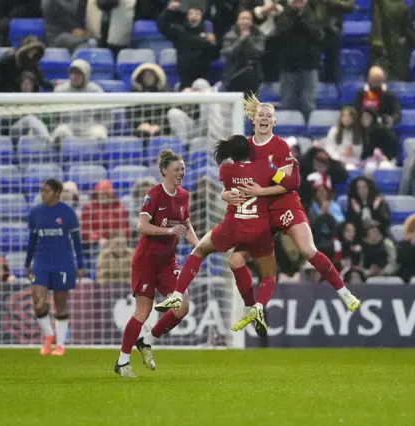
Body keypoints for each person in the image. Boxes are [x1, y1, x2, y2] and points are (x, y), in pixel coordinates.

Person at [224, 95, 360, 313]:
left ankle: (344, 292)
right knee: (237, 259)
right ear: (254, 119)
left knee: (308, 249)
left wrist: (265, 180)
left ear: (274, 122)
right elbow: (235, 179)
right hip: (261, 211)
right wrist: (228, 194)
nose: (265, 118)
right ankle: (253, 308)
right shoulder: (244, 148)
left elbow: (291, 183)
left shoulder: (280, 148)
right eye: (261, 115)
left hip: (285, 205)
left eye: (269, 116)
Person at [154, 136, 291, 331]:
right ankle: (257, 306)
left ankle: (178, 293)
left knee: (201, 251)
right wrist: (266, 188)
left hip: (233, 227)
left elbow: (230, 188)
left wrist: (223, 195)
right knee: (269, 276)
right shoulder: (265, 169)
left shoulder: (225, 170)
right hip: (258, 229)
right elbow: (287, 184)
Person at [114, 150, 198, 378]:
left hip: (167, 261)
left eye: (182, 169)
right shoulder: (153, 194)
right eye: (176, 169)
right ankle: (122, 362)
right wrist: (169, 230)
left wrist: (199, 246)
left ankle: (147, 340)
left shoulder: (183, 196)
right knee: (143, 312)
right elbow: (141, 226)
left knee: (182, 305)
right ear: (164, 171)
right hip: (146, 261)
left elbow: (186, 223)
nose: (181, 173)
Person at [25, 179, 85, 356]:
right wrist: (28, 264)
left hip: (63, 263)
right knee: (37, 298)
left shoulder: (67, 213)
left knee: (61, 302)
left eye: (47, 191)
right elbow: (32, 241)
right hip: (41, 264)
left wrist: (80, 265)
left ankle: (60, 345)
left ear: (57, 193)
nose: (43, 194)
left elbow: (76, 241)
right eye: (42, 191)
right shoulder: (35, 213)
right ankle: (48, 336)